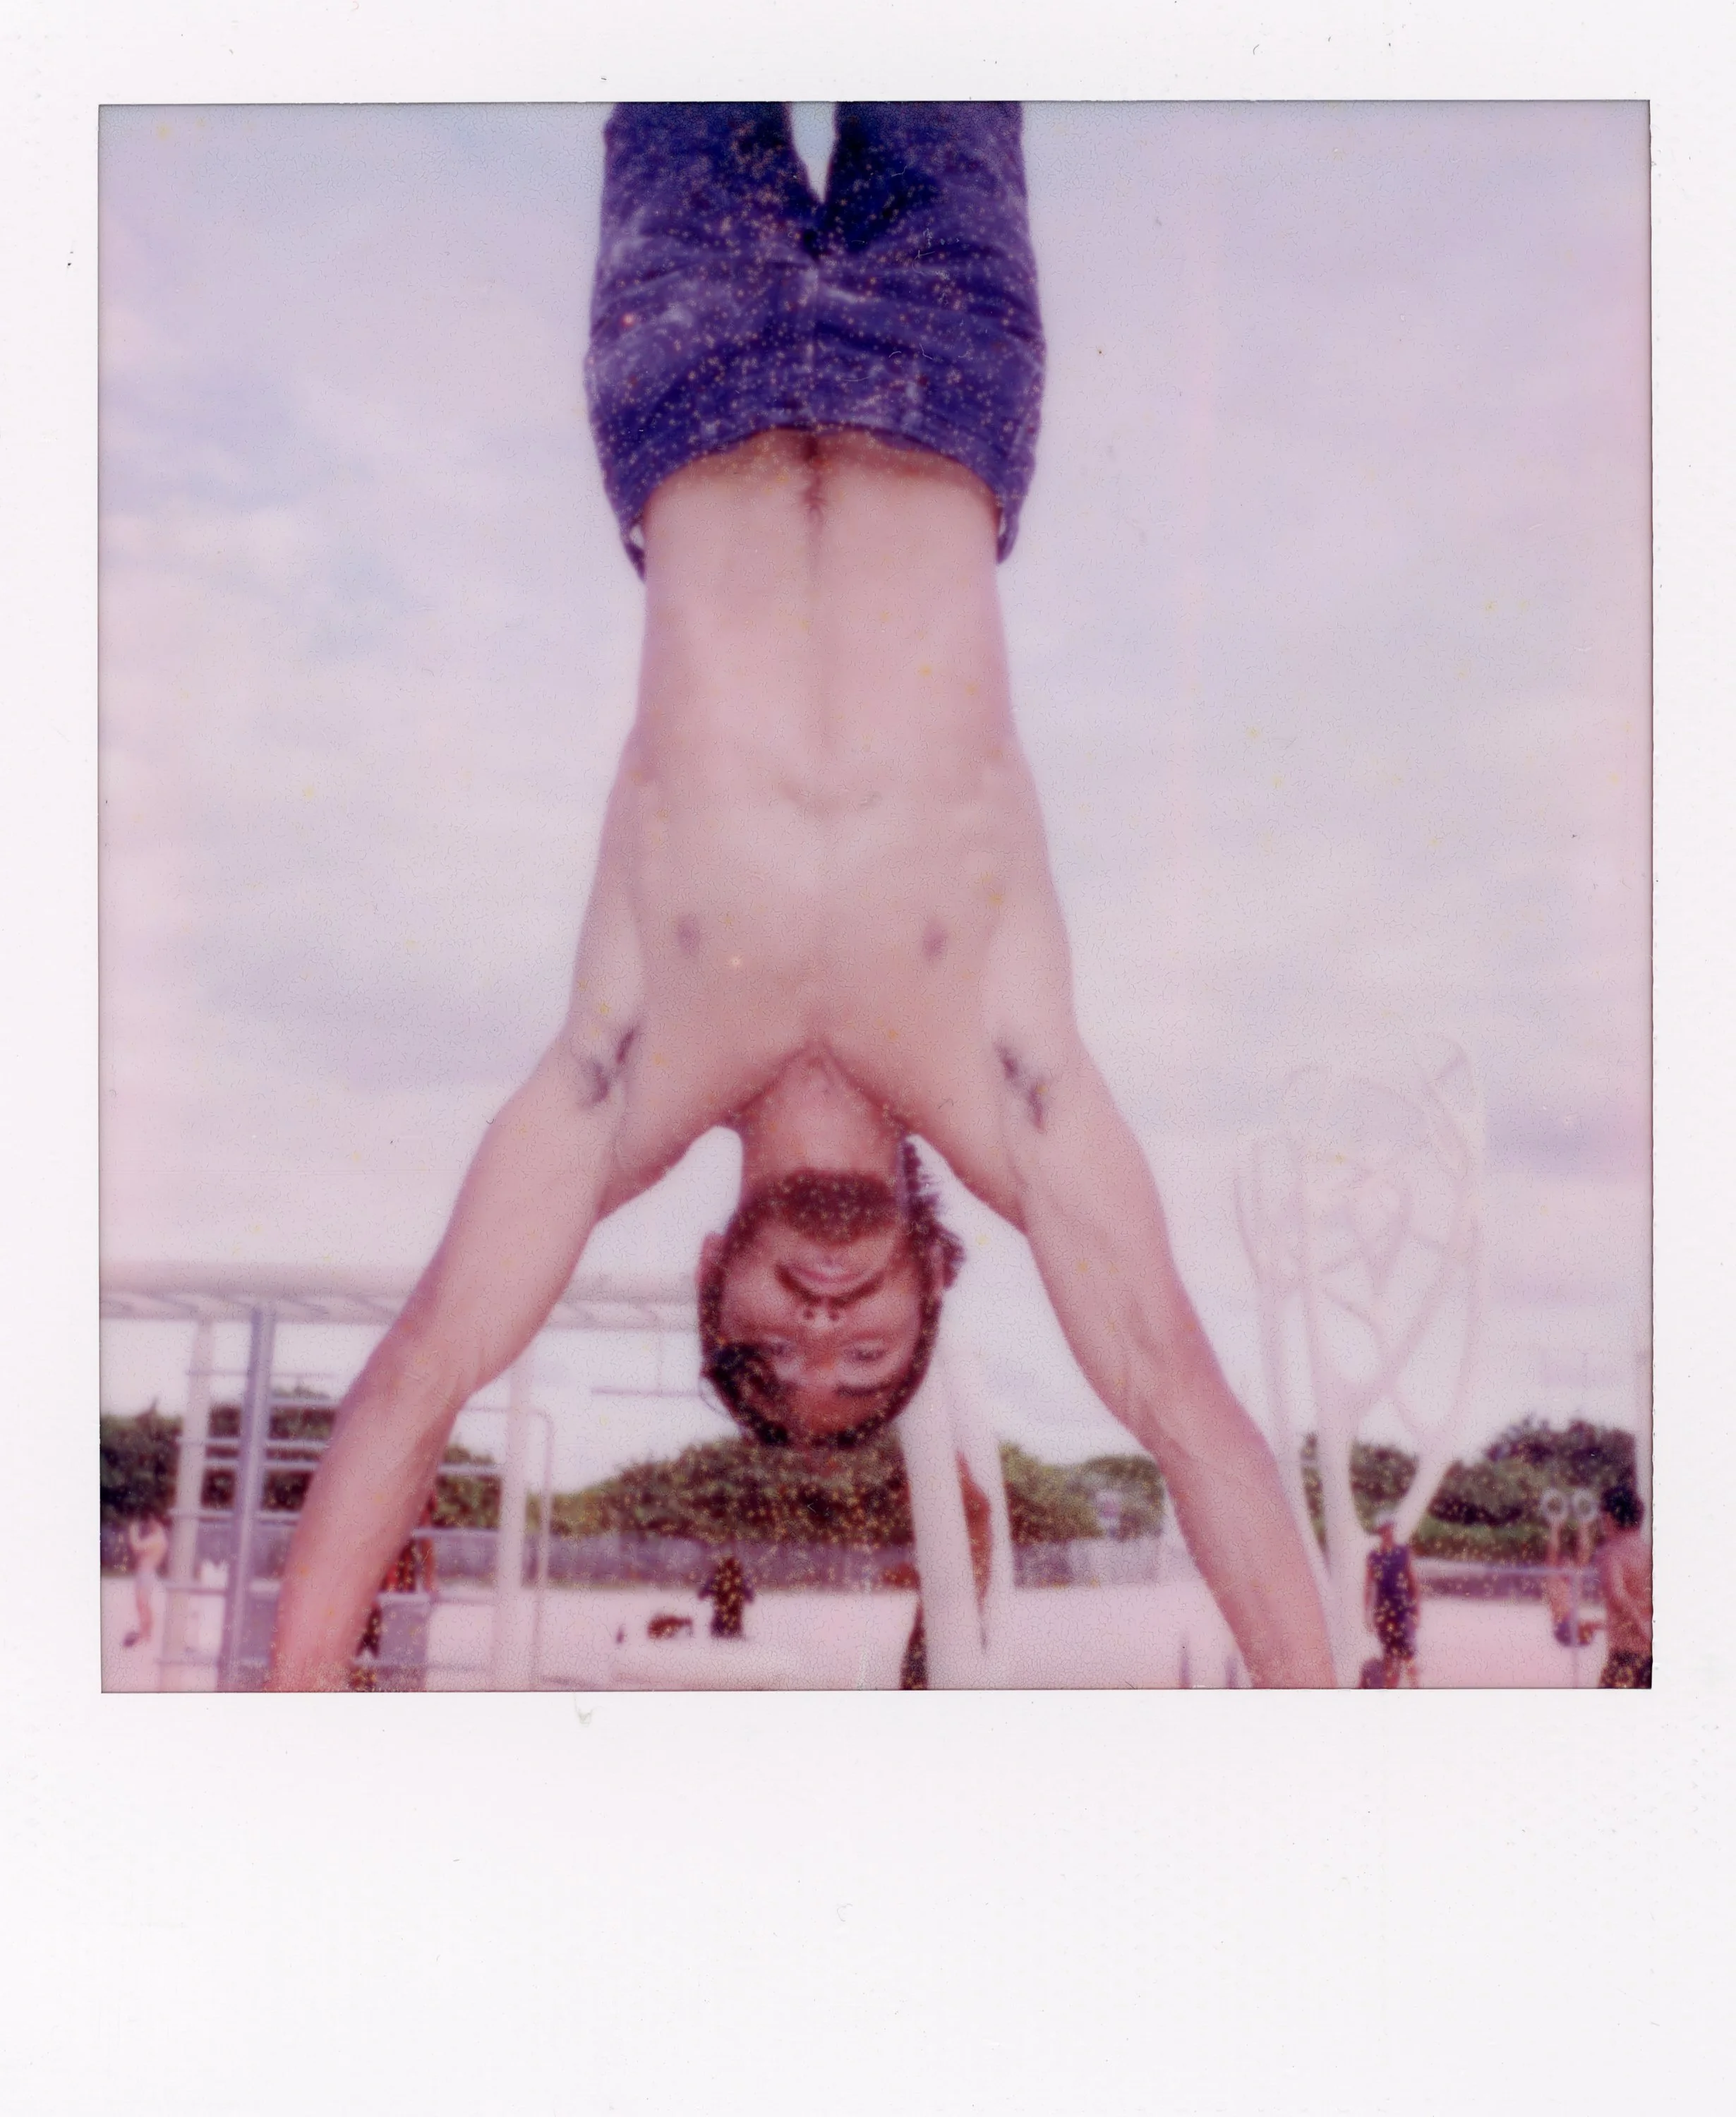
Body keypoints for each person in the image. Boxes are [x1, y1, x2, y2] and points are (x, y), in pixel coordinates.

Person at [270, 103, 1333, 1691]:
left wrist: (279, 1725)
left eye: (782, 1347)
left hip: (691, 374)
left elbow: (420, 1378)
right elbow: (1182, 1402)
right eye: (869, 1355)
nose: (826, 1320)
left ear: (718, 1280)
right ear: (928, 1281)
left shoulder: (627, 1073)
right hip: (947, 368)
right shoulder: (1009, 1089)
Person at [1593, 1484, 1652, 1688]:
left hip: (1626, 1658)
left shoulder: (1611, 1553)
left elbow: (1618, 1595)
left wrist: (1642, 1628)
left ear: (1610, 1518)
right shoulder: (1648, 1552)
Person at [1363, 1519, 1421, 1688]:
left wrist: (1417, 1611)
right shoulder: (1373, 1557)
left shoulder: (1403, 1552)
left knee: (1408, 1655)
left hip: (1403, 1609)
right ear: (1380, 1532)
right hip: (1383, 1612)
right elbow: (1368, 1587)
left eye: (1390, 1529)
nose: (1388, 1532)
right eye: (1384, 1530)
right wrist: (1366, 1615)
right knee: (1388, 1656)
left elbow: (1413, 1582)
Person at [121, 1510, 169, 1650]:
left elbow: (136, 1546)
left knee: (143, 1604)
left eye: (153, 1521)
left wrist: (132, 1530)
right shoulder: (159, 1538)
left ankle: (146, 1634)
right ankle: (146, 1633)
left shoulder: (157, 1539)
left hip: (146, 1573)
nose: (150, 1524)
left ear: (158, 1523)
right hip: (144, 1573)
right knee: (142, 1604)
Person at [697, 1553, 755, 1640]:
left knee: (719, 1645)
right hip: (734, 1624)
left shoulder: (716, 1580)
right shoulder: (740, 1581)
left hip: (719, 1624)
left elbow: (702, 1595)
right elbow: (750, 1598)